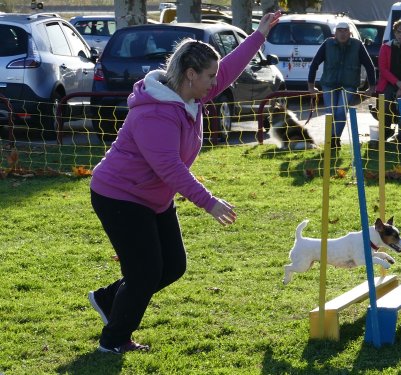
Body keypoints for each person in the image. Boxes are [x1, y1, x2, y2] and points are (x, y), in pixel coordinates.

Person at [87, 11, 281, 354]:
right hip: (120, 196)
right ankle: (113, 339)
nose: (214, 82)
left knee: (173, 266)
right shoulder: (155, 112)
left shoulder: (191, 96)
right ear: (190, 74)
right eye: (208, 75)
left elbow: (228, 69)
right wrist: (210, 202)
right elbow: (170, 168)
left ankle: (108, 298)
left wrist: (259, 34)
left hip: (153, 198)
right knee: (146, 273)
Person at [308, 21, 376, 148]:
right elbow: (314, 64)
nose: (343, 34)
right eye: (340, 30)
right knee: (331, 112)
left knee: (340, 112)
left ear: (350, 33)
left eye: (345, 31)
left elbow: (369, 65)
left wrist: (371, 87)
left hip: (349, 85)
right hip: (329, 83)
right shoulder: (327, 44)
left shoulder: (357, 45)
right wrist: (311, 86)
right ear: (335, 33)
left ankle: (334, 139)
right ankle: (332, 141)